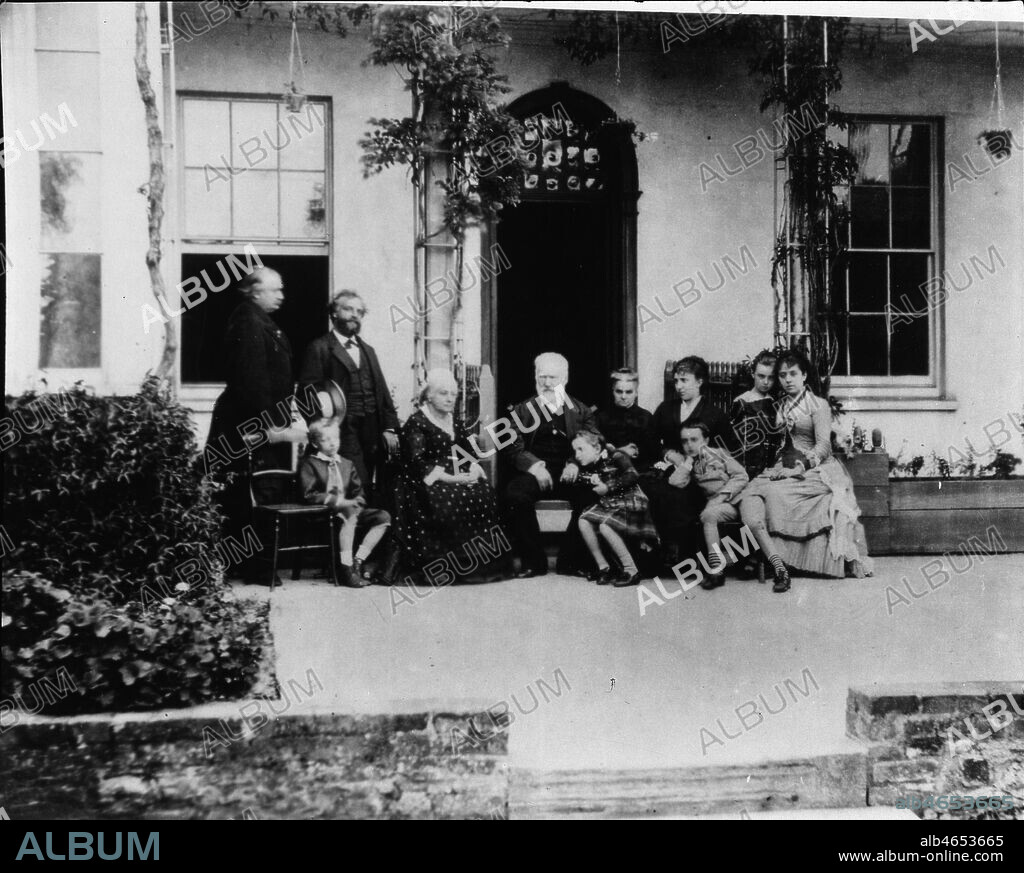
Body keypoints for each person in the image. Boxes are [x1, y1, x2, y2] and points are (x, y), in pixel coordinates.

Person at [739, 349, 874, 593]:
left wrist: (799, 468)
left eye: (793, 374)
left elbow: (823, 446)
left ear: (804, 376)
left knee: (776, 494)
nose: (787, 379)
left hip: (818, 469)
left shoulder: (818, 405)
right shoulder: (780, 406)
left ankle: (792, 562)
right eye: (782, 375)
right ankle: (774, 559)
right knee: (760, 490)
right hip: (787, 465)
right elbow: (779, 444)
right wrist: (780, 466)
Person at [393, 369, 512, 584]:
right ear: (429, 395)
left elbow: (467, 449)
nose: (450, 399)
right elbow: (417, 463)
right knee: (446, 500)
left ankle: (479, 563)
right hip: (426, 480)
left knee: (484, 493)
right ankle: (447, 565)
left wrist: (474, 467)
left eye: (453, 394)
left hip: (456, 471)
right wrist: (454, 479)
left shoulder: (452, 420)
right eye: (443, 393)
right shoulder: (417, 422)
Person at [502, 352, 599, 578]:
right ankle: (533, 561)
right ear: (535, 377)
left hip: (571, 471)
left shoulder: (582, 411)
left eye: (552, 378)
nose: (546, 383)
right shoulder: (521, 410)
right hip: (536, 472)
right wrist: (535, 467)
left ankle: (570, 560)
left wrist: (575, 463)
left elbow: (595, 441)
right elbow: (512, 445)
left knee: (592, 496)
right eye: (541, 376)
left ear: (565, 379)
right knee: (515, 495)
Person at [298, 290, 400, 502]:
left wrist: (389, 428)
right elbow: (306, 395)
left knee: (378, 481)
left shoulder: (368, 350)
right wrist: (323, 429)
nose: (355, 315)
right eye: (348, 309)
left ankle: (371, 527)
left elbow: (381, 391)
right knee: (357, 481)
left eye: (360, 311)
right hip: (343, 429)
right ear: (334, 314)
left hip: (372, 427)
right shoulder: (319, 348)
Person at [643, 356, 738, 568]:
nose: (678, 386)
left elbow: (726, 449)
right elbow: (649, 441)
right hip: (669, 467)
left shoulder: (715, 414)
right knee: (655, 488)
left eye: (684, 380)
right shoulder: (666, 408)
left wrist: (695, 459)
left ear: (699, 381)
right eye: (676, 381)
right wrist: (669, 454)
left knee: (681, 494)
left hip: (701, 474)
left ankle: (683, 554)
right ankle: (660, 550)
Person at [206, 267, 293, 473]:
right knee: (246, 487)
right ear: (255, 292)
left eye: (281, 290)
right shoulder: (248, 322)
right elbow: (252, 380)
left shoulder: (259, 320)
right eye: (275, 290)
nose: (281, 296)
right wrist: (268, 425)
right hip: (249, 423)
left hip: (260, 422)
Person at [299, 419, 392, 587]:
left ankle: (358, 560)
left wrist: (356, 504)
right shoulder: (310, 463)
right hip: (324, 512)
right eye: (325, 439)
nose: (332, 443)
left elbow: (359, 493)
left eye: (335, 438)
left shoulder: (347, 464)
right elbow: (309, 494)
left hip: (349, 510)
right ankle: (346, 568)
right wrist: (338, 501)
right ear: (314, 442)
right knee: (348, 514)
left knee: (383, 517)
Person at [666, 422, 749, 589]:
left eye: (694, 439)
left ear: (706, 440)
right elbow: (675, 481)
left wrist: (721, 498)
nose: (689, 445)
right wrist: (688, 461)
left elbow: (741, 476)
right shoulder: (690, 463)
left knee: (708, 514)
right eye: (684, 441)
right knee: (708, 515)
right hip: (716, 507)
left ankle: (716, 569)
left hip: (737, 500)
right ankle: (716, 571)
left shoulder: (720, 454)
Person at [573, 431, 658, 588]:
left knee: (606, 525)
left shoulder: (617, 456)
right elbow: (582, 480)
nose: (577, 455)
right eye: (575, 451)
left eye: (580, 449)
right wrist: (587, 479)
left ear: (597, 448)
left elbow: (632, 475)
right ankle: (604, 567)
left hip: (631, 500)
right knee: (583, 521)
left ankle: (632, 571)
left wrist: (607, 486)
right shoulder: (590, 465)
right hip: (611, 502)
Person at [730, 350, 782, 480]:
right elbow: (731, 441)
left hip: (768, 470)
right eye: (761, 376)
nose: (765, 382)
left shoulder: (775, 405)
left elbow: (778, 441)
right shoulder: (741, 401)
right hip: (745, 468)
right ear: (753, 374)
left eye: (770, 377)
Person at [596, 368, 658, 470]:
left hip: (641, 471)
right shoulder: (601, 417)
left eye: (629, 392)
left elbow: (654, 452)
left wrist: (636, 452)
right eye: (619, 391)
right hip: (609, 470)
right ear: (613, 391)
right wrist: (618, 451)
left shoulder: (646, 417)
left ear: (636, 393)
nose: (623, 396)